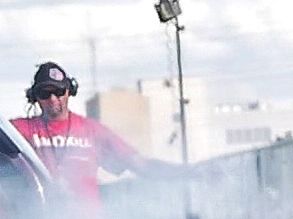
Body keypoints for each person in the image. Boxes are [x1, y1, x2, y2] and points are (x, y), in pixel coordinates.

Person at [10, 61, 177, 209]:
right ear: (34, 97)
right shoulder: (21, 130)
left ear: (69, 91)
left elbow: (141, 164)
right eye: (45, 93)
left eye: (58, 91)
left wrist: (187, 172)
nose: (53, 98)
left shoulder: (91, 130)